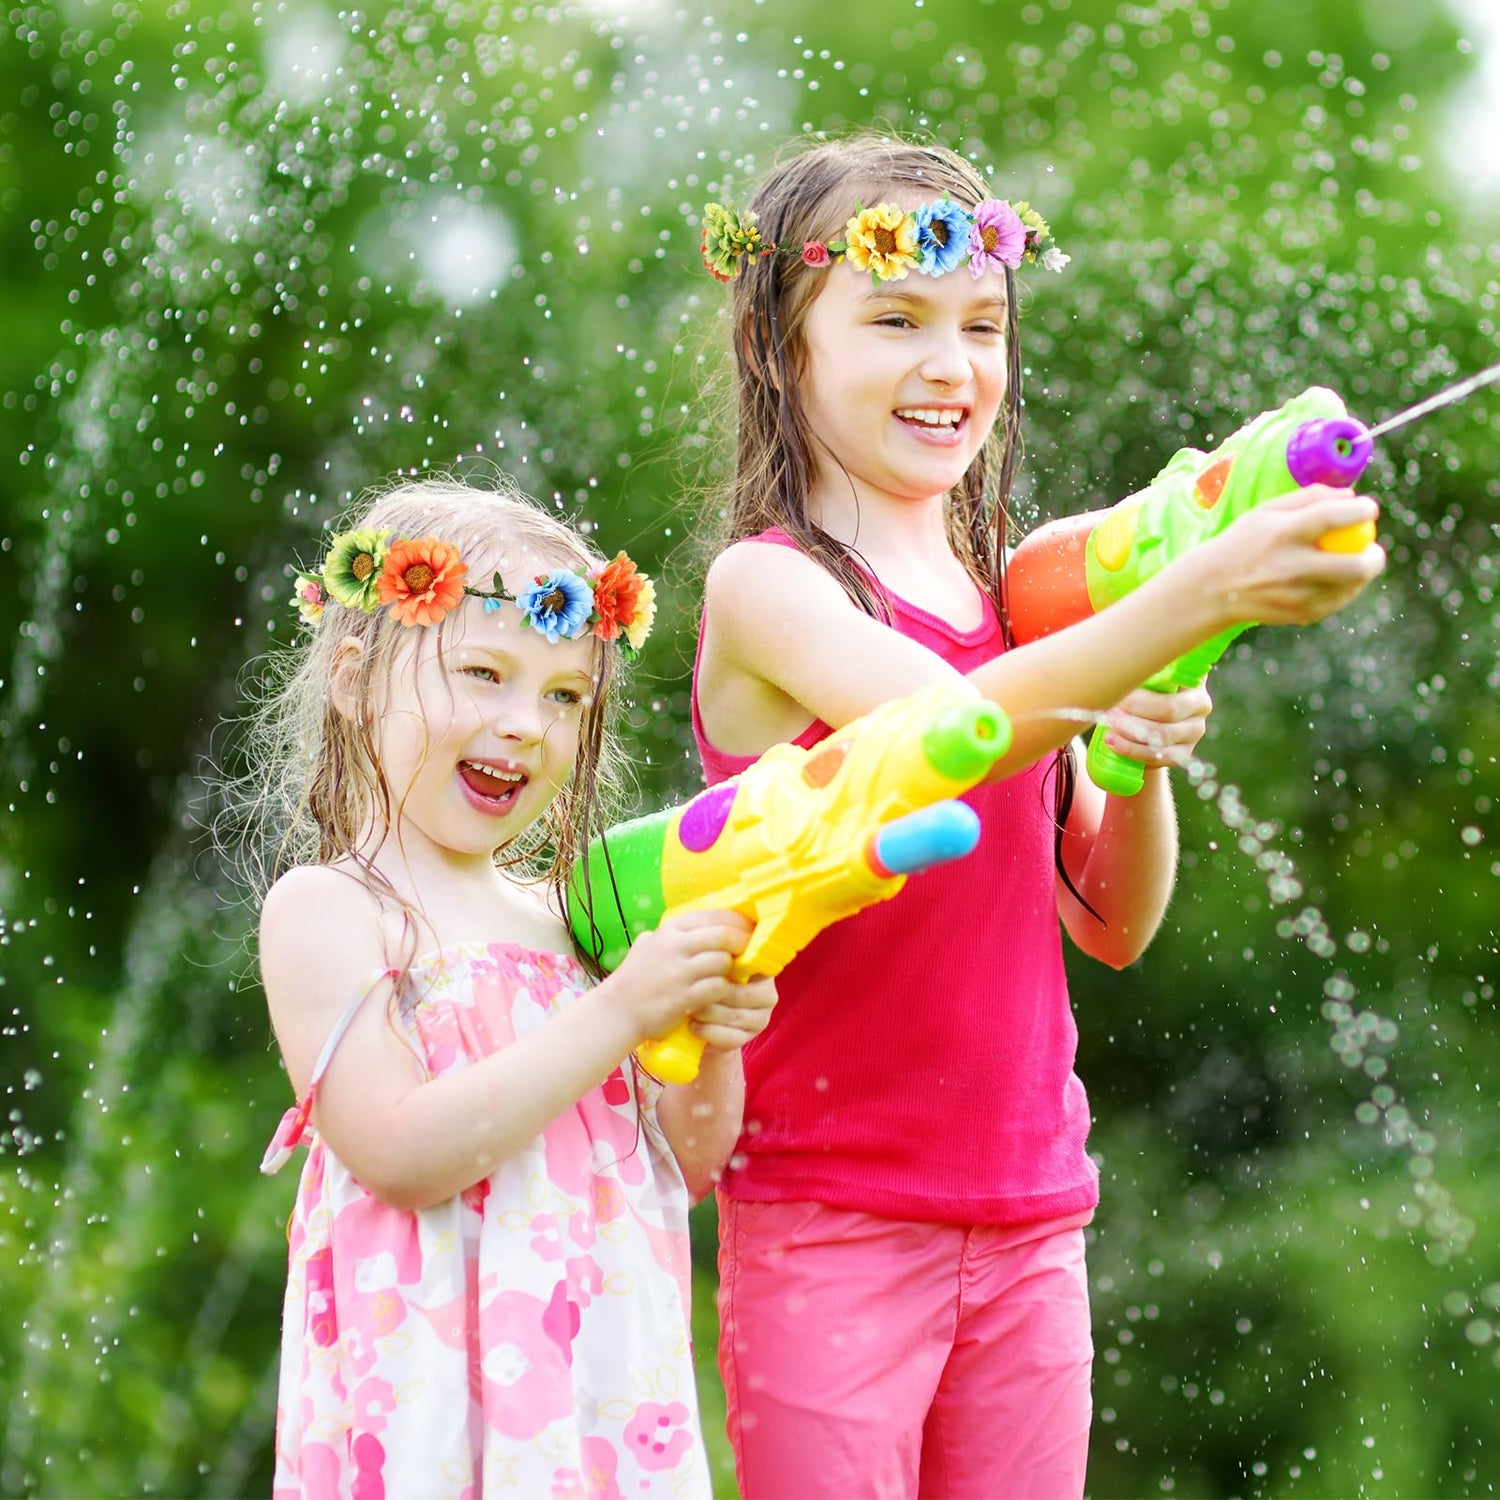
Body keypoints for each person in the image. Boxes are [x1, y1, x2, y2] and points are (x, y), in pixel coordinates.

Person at [690, 135, 1386, 1498]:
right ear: (778, 346)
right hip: (830, 1213)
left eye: (982, 325)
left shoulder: (1019, 605)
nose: (950, 364)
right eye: (896, 320)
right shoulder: (769, 592)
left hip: (1029, 1216)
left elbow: (1112, 923)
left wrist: (1139, 751)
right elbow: (950, 735)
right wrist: (1184, 604)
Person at [248, 476, 776, 1496]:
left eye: (564, 696)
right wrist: (623, 1009)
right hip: (437, 1408)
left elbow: (684, 1161)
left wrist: (712, 1035)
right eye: (484, 673)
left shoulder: (574, 922)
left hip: (598, 1404)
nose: (527, 725)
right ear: (355, 679)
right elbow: (400, 1154)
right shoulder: (334, 911)